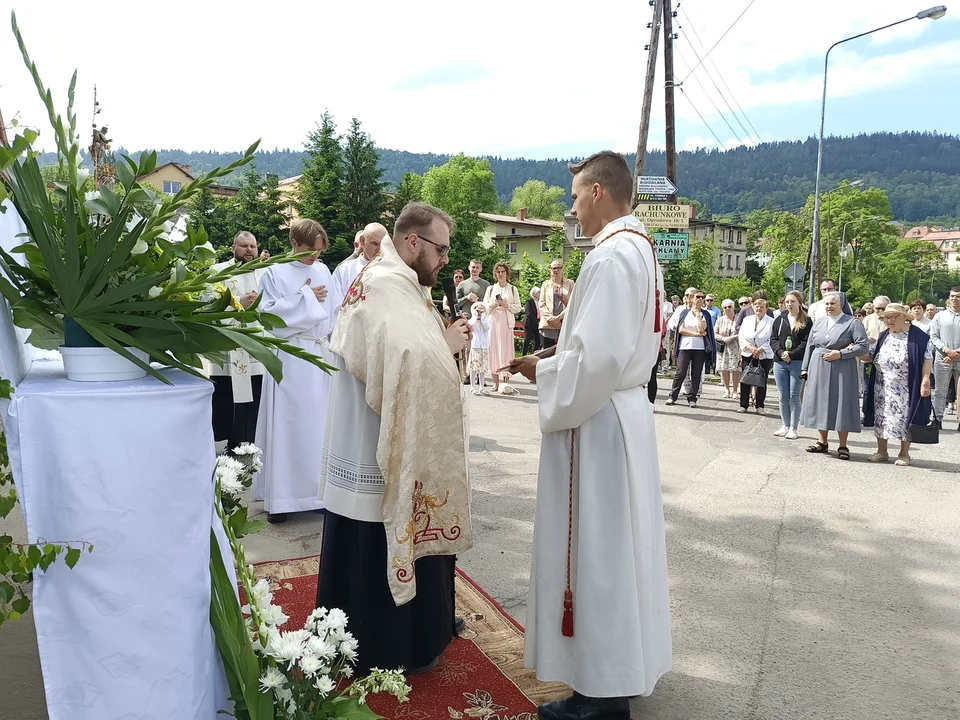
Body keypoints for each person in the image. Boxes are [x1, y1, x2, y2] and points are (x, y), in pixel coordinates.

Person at [507, 151, 671, 720]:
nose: (571, 207)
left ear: (598, 192)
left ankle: (599, 696)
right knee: (617, 551)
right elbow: (606, 345)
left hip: (598, 423)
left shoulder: (608, 257)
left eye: (575, 195)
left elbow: (596, 362)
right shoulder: (640, 248)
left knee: (597, 555)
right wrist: (559, 355)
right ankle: (617, 672)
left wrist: (542, 370)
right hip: (621, 414)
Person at [316, 202, 472, 674]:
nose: (446, 258)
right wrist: (447, 347)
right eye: (441, 249)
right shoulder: (386, 286)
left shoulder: (398, 280)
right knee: (377, 532)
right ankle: (387, 647)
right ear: (413, 242)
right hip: (373, 444)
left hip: (374, 433)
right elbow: (408, 363)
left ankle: (423, 628)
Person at [253, 219, 334, 523]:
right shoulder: (274, 272)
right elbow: (267, 314)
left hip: (318, 353)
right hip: (289, 355)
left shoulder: (323, 270)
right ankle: (282, 500)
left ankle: (315, 495)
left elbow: (334, 311)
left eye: (319, 251)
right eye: (310, 250)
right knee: (288, 426)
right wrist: (306, 297)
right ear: (294, 243)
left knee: (317, 426)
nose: (314, 257)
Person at [209, 231, 266, 452]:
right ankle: (229, 444)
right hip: (228, 346)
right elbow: (208, 303)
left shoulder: (265, 272)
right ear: (234, 248)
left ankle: (251, 441)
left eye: (253, 246)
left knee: (254, 395)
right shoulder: (218, 271)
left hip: (255, 345)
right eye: (244, 246)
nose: (249, 251)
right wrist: (238, 303)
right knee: (227, 397)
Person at [800, 292, 869, 460]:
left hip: (842, 368)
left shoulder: (852, 323)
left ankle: (843, 445)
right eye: (827, 304)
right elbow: (810, 345)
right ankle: (822, 441)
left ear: (841, 304)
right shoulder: (819, 322)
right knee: (820, 403)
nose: (829, 307)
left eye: (832, 304)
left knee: (841, 404)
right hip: (818, 366)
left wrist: (842, 353)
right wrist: (805, 368)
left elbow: (863, 345)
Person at [862, 304, 933, 466]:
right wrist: (855, 350)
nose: (889, 320)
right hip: (882, 386)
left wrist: (925, 380)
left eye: (893, 317)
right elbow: (871, 356)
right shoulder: (884, 335)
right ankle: (882, 452)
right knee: (881, 418)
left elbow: (927, 360)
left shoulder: (919, 337)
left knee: (904, 419)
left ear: (904, 318)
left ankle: (904, 454)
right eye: (886, 317)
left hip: (906, 386)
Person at [769, 290, 811, 439]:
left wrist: (791, 354)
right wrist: (781, 353)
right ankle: (785, 425)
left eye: (792, 301)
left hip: (797, 362)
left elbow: (806, 342)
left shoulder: (807, 321)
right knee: (782, 395)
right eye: (787, 302)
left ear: (799, 302)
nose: (789, 304)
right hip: (780, 362)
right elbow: (773, 339)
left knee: (794, 396)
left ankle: (794, 427)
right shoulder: (780, 319)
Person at [329, 223, 387, 325]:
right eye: (374, 243)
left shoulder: (390, 271)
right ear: (362, 241)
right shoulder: (344, 270)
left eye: (382, 244)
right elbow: (335, 306)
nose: (379, 249)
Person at [666, 287, 714, 408]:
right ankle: (673, 395)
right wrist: (696, 334)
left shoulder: (705, 314)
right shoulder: (684, 313)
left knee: (696, 374)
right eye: (698, 297)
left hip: (699, 348)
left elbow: (702, 328)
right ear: (692, 299)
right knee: (680, 372)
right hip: (685, 346)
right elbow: (681, 329)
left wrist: (698, 315)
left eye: (702, 297)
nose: (700, 299)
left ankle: (692, 398)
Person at [484, 261, 522, 395]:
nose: (500, 274)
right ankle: (495, 382)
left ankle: (505, 382)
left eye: (502, 271)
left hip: (506, 323)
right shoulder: (490, 289)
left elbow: (518, 307)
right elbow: (484, 307)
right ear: (495, 274)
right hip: (493, 322)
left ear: (507, 273)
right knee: (493, 350)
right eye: (498, 272)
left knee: (505, 351)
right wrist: (492, 305)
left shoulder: (512, 289)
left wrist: (506, 305)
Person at [737, 294, 775, 415]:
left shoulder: (771, 322)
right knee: (745, 379)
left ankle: (760, 405)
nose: (759, 309)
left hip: (763, 354)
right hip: (748, 352)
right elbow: (741, 335)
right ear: (753, 307)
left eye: (762, 307)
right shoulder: (747, 320)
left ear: (766, 308)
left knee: (761, 380)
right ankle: (744, 404)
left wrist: (761, 349)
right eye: (756, 306)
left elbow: (773, 338)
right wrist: (750, 347)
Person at [930, 287, 960, 425]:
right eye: (952, 296)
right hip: (943, 358)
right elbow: (934, 336)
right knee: (940, 390)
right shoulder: (940, 316)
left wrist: (956, 353)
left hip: (958, 358)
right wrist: (947, 350)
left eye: (958, 296)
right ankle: (937, 418)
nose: (955, 299)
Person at [457, 259, 490, 383]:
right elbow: (456, 302)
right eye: (473, 267)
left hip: (481, 321)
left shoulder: (486, 284)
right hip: (467, 318)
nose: (474, 269)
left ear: (481, 269)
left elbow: (487, 303)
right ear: (469, 268)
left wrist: (478, 301)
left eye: (477, 267)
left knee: (481, 349)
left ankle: (479, 376)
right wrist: (466, 297)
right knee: (467, 348)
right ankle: (467, 374)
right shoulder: (463, 284)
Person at [539, 260, 575, 349]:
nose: (556, 270)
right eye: (554, 268)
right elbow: (541, 304)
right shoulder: (545, 284)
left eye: (559, 267)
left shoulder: (570, 283)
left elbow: (573, 302)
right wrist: (551, 319)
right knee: (547, 354)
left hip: (564, 323)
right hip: (548, 325)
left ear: (563, 269)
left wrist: (559, 317)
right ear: (550, 269)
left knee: (563, 352)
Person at [714, 299, 741, 398]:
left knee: (736, 369)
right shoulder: (720, 320)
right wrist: (723, 338)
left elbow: (743, 333)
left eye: (729, 306)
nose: (727, 309)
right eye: (725, 307)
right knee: (723, 368)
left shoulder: (738, 319)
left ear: (733, 307)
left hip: (735, 346)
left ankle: (735, 390)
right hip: (723, 347)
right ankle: (726, 389)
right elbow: (715, 333)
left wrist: (732, 338)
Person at [467, 302, 491, 395]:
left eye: (482, 310)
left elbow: (487, 327)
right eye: (478, 310)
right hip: (475, 344)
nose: (480, 312)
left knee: (483, 367)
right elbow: (471, 326)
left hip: (484, 345)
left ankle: (481, 386)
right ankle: (472, 386)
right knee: (473, 367)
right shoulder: (472, 319)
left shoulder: (486, 319)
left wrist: (482, 318)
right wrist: (476, 317)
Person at [522, 287, 542, 356]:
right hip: (529, 324)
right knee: (527, 339)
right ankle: (524, 355)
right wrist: (537, 321)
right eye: (538, 292)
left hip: (536, 325)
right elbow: (529, 313)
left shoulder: (540, 302)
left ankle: (533, 354)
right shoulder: (529, 301)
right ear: (534, 293)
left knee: (538, 340)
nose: (540, 293)